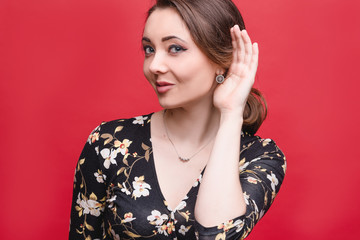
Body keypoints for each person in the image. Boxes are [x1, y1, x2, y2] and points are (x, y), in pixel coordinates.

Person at [69, 0, 286, 239]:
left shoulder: (260, 157)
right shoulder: (109, 143)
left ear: (221, 60)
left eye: (175, 48)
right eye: (149, 49)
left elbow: (218, 235)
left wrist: (231, 112)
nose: (154, 65)